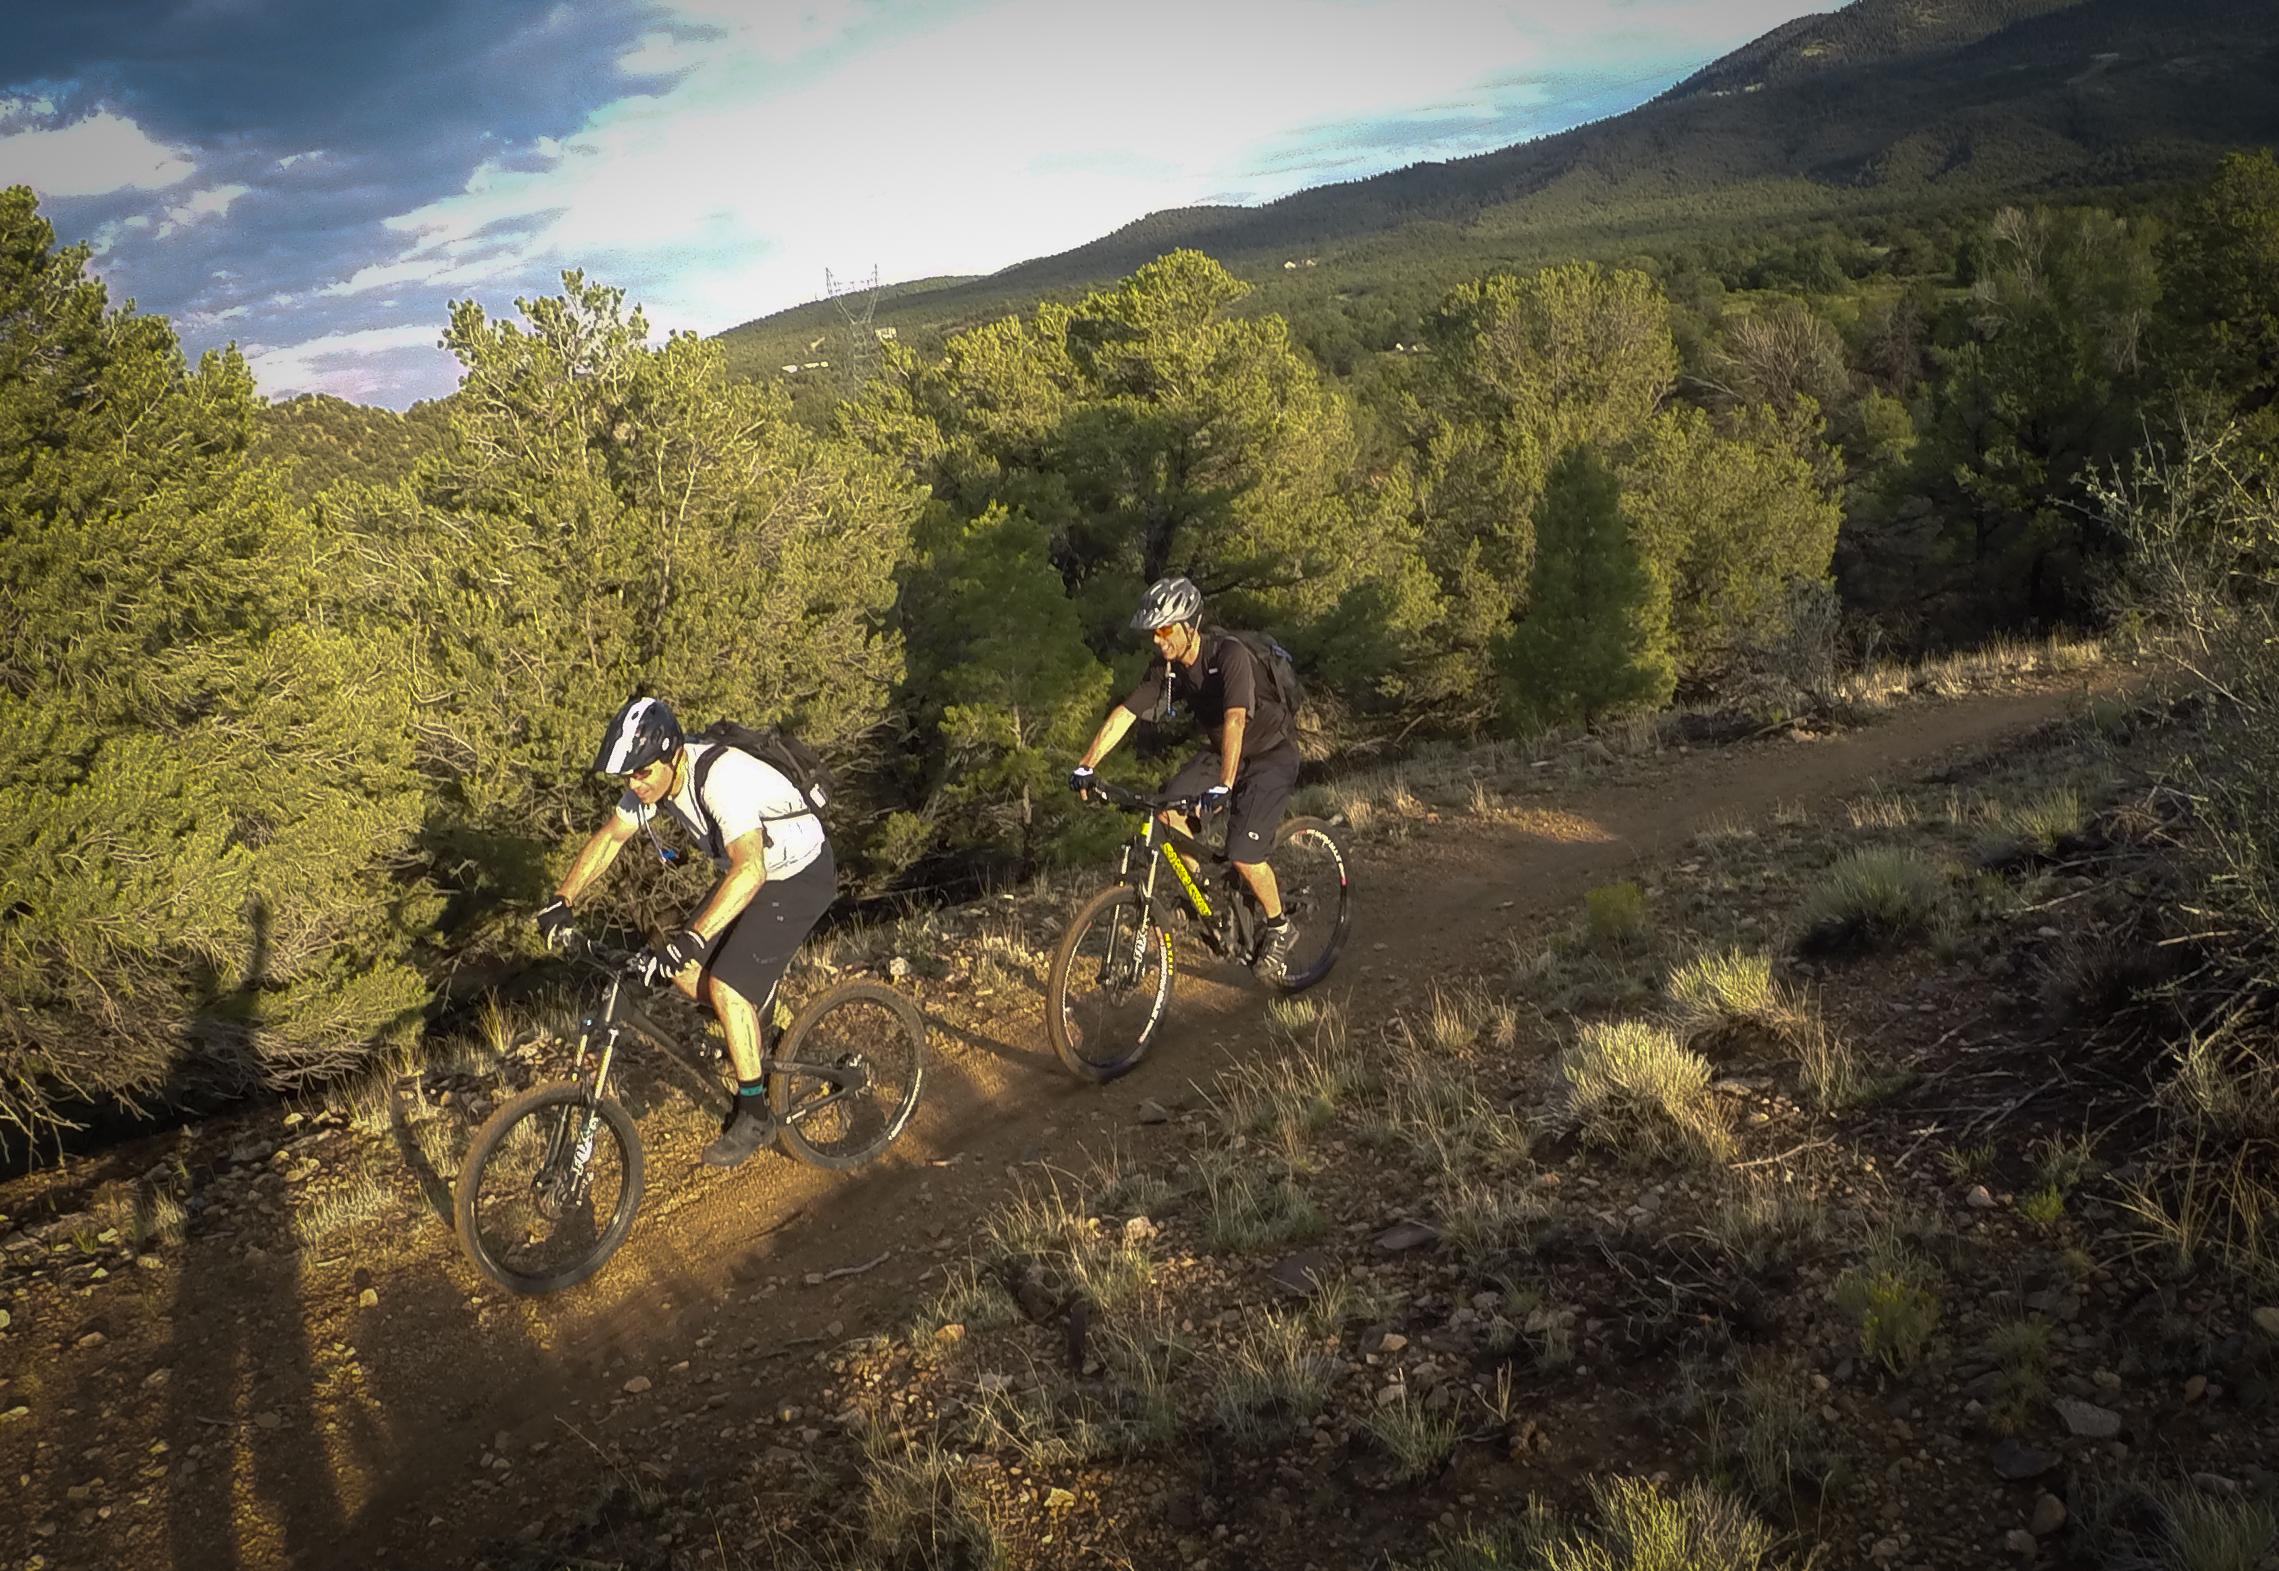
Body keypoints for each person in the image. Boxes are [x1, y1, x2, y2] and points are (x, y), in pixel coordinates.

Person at [535, 695, 835, 1168]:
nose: (636, 783)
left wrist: (694, 936)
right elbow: (612, 835)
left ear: (672, 755)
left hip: (796, 872)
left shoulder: (721, 780)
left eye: (642, 772)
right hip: (752, 871)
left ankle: (755, 1114)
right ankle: (755, 1021)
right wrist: (562, 898)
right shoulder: (656, 780)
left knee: (725, 987)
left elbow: (750, 869)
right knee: (681, 969)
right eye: (629, 774)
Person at [1070, 575, 1302, 982]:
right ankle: (1200, 901)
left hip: (1269, 755)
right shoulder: (1168, 669)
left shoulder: (1229, 656)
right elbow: (1127, 711)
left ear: (1189, 625)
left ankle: (1281, 926)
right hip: (1220, 754)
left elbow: (1234, 720)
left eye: (1164, 630)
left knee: (1245, 856)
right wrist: (1087, 764)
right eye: (1153, 633)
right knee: (1167, 814)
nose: (1158, 641)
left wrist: (1224, 785)